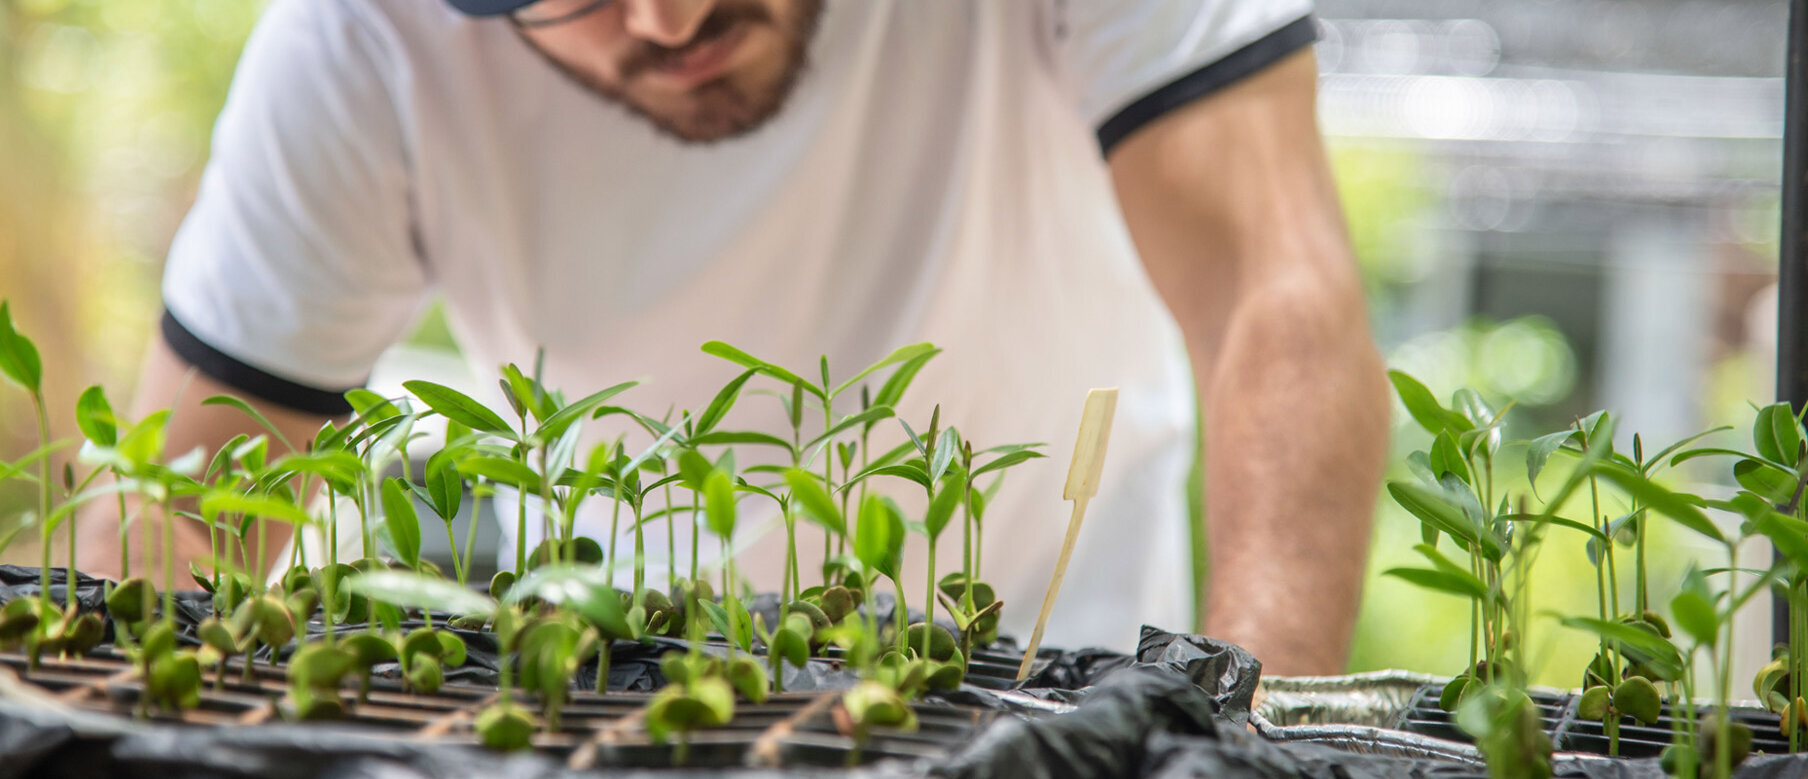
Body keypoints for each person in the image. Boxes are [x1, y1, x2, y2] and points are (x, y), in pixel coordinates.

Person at [78, 0, 1389, 675]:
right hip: (621, 687)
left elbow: (1270, 292)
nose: (665, 20)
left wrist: (1252, 728)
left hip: (1066, 679)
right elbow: (187, 500)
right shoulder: (360, 43)